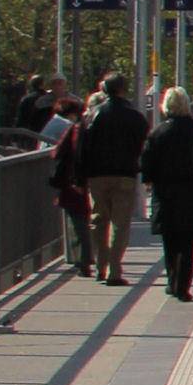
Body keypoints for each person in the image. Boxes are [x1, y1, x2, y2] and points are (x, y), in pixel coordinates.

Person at [75, 72, 148, 284]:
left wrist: (79, 178)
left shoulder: (92, 116)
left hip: (97, 175)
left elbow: (82, 150)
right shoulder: (134, 116)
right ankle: (115, 269)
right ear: (124, 89)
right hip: (124, 174)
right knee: (120, 223)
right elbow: (141, 143)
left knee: (98, 220)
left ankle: (101, 265)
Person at [140, 87, 193, 303]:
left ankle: (172, 280)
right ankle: (183, 285)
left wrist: (149, 181)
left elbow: (147, 164)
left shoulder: (158, 132)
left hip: (166, 194)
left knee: (170, 242)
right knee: (189, 243)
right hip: (192, 192)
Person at [46, 94, 92, 269]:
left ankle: (82, 259)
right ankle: (90, 258)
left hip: (72, 180)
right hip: (90, 178)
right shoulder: (89, 130)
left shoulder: (74, 130)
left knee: (77, 220)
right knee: (87, 218)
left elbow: (57, 153)